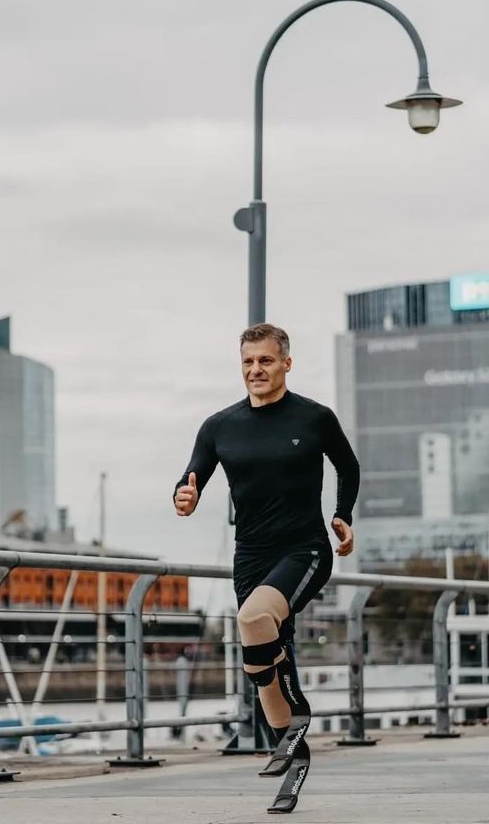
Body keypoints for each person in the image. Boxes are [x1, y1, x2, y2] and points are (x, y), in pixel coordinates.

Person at [174, 323, 359, 814]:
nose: (256, 369)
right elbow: (191, 476)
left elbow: (348, 466)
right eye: (248, 362)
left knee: (254, 618)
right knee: (265, 656)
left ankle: (297, 718)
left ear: (286, 364)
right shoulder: (219, 426)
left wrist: (342, 514)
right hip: (250, 556)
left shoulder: (314, 418)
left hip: (305, 550)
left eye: (266, 360)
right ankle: (293, 757)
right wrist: (184, 496)